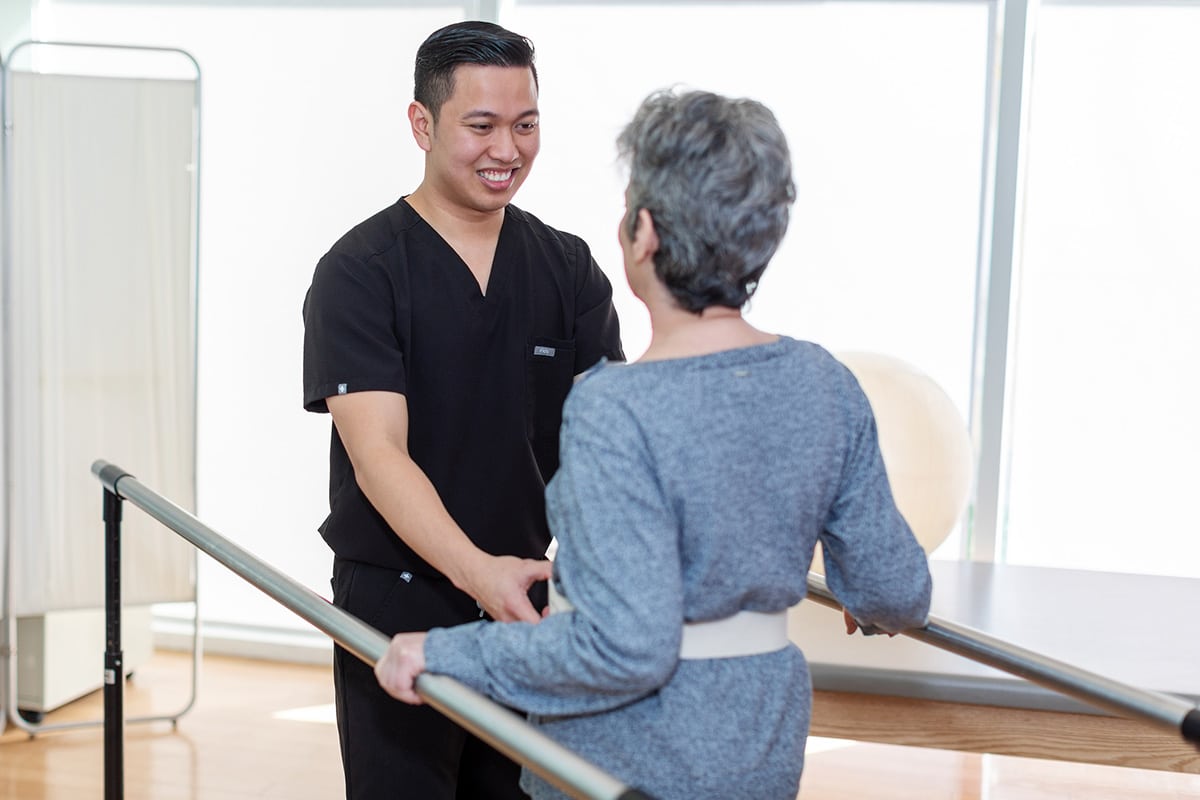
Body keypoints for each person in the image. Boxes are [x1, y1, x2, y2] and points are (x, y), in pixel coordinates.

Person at [373, 88, 934, 800]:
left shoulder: (617, 407)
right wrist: (866, 597)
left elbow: (622, 647)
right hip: (759, 751)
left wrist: (440, 653)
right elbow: (896, 591)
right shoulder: (824, 383)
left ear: (643, 233)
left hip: (621, 763)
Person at [301, 20, 623, 800]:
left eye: (525, 124)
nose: (506, 149)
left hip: (527, 598)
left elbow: (613, 441)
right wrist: (478, 575)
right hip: (398, 598)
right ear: (422, 123)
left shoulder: (567, 267)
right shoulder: (361, 272)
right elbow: (379, 456)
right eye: (480, 125)